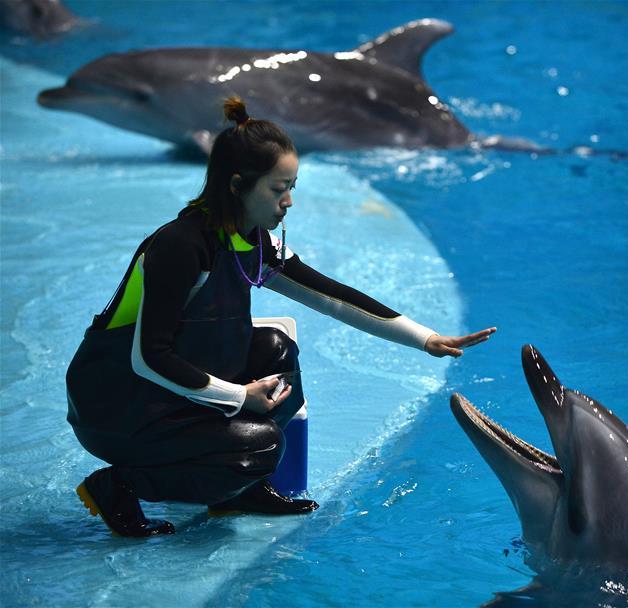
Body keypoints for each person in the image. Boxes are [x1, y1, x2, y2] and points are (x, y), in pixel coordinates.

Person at [66, 97, 495, 538]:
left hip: (171, 391)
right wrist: (238, 396)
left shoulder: (253, 243)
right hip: (116, 405)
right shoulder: (180, 247)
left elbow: (334, 297)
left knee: (276, 348)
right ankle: (120, 485)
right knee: (261, 445)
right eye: (277, 188)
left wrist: (425, 338)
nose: (288, 201)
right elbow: (148, 358)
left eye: (292, 186)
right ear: (237, 185)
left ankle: (237, 490)